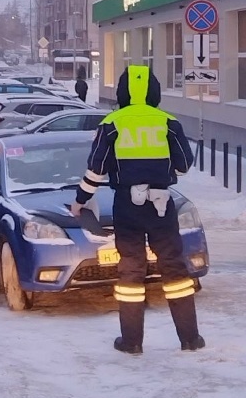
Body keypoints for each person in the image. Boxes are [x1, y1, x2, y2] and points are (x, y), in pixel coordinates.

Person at [70, 65, 204, 355]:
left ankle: (131, 342)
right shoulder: (168, 122)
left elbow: (96, 170)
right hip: (161, 204)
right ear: (154, 92)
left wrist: (80, 201)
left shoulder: (112, 123)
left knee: (131, 269)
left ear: (122, 92)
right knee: (173, 266)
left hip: (127, 205)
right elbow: (183, 164)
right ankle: (190, 339)